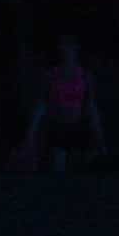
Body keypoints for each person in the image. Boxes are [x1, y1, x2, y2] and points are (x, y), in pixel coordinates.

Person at [21, 34, 103, 173]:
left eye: (69, 46)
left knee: (85, 169)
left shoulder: (85, 75)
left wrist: (98, 133)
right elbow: (42, 104)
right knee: (59, 170)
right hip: (58, 126)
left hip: (78, 126)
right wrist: (31, 132)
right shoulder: (51, 75)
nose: (65, 50)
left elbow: (91, 106)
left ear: (76, 48)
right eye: (63, 46)